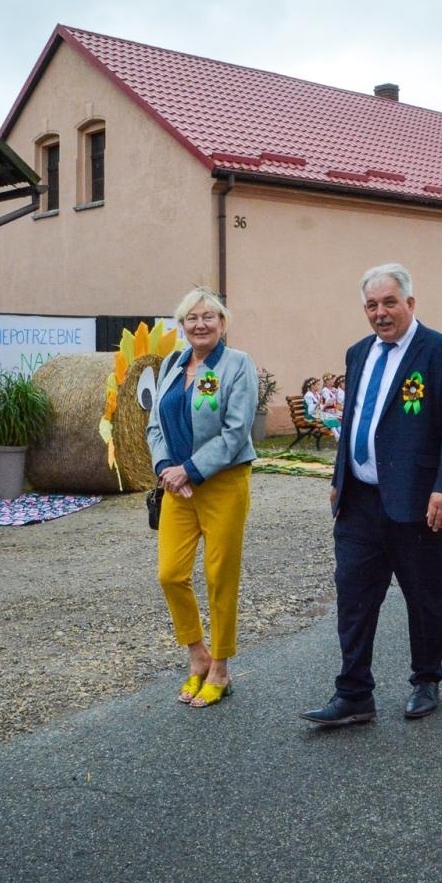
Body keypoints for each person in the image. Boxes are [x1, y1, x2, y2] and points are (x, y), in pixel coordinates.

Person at [302, 264, 442, 726]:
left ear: (410, 303)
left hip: (419, 500)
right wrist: (339, 476)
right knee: (353, 597)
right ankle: (354, 692)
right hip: (359, 501)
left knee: (423, 596)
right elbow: (354, 420)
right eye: (372, 305)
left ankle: (426, 679)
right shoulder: (359, 352)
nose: (380, 313)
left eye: (389, 303)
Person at [147, 288, 258, 708]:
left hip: (223, 483)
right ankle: (198, 654)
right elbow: (154, 425)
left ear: (222, 323)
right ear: (182, 325)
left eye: (208, 316)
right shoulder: (172, 365)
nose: (200, 324)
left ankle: (221, 667)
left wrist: (190, 468)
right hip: (176, 486)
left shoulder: (237, 364)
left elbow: (236, 431)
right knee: (170, 574)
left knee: (219, 576)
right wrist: (165, 467)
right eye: (191, 318)